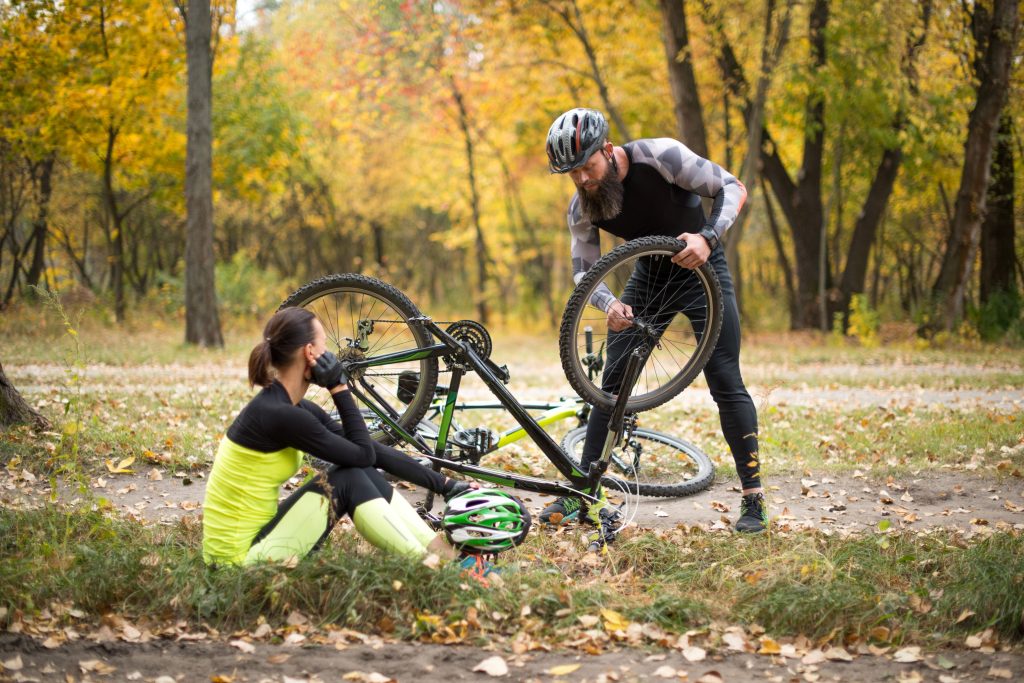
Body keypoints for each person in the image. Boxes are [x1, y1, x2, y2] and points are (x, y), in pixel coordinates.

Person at [541, 107, 767, 533]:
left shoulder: (660, 156)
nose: (584, 180)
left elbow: (733, 188)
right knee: (611, 386)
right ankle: (584, 493)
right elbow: (584, 271)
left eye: (588, 166)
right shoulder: (583, 206)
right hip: (648, 277)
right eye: (573, 174)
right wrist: (608, 304)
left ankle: (754, 497)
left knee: (725, 379)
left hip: (702, 270)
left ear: (607, 150)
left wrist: (707, 237)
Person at [201, 306, 478, 567]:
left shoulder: (288, 407)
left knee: (359, 471)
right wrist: (338, 387)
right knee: (349, 477)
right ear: (310, 352)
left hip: (257, 540)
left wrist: (446, 484)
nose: (330, 353)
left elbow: (368, 449)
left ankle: (448, 558)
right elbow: (363, 455)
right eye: (324, 345)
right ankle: (432, 568)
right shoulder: (279, 415)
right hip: (237, 560)